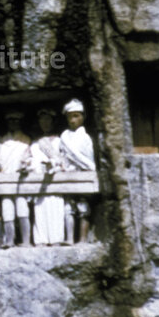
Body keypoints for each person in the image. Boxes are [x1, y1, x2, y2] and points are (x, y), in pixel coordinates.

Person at [25, 107, 64, 246]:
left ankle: (56, 239)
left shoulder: (60, 140)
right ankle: (41, 240)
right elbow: (31, 158)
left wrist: (54, 164)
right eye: (42, 120)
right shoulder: (35, 143)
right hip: (39, 181)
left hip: (54, 180)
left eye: (48, 120)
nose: (45, 123)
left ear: (53, 121)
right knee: (40, 211)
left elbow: (64, 160)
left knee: (55, 209)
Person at [59, 98, 95, 244]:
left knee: (83, 207)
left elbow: (88, 159)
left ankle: (82, 239)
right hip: (67, 174)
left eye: (76, 116)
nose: (73, 120)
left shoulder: (85, 138)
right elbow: (61, 155)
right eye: (70, 116)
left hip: (82, 174)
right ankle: (69, 238)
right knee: (68, 207)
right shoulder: (64, 136)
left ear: (83, 117)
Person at [0, 110, 31, 248]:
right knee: (7, 210)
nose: (13, 124)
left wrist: (26, 165)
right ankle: (10, 240)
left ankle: (26, 241)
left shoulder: (26, 140)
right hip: (5, 181)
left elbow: (29, 158)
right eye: (10, 121)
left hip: (20, 182)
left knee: (22, 209)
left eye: (16, 121)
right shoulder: (2, 141)